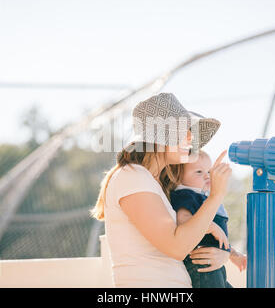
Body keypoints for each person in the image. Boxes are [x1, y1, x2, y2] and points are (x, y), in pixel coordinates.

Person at [91, 92, 230, 287]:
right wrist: (216, 195)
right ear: (159, 137)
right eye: (183, 131)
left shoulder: (153, 183)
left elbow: (185, 244)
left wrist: (221, 255)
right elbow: (176, 247)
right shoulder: (133, 176)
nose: (191, 137)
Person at [170, 150, 247, 288]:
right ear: (177, 177)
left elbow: (219, 239)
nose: (207, 176)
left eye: (209, 171)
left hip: (212, 266)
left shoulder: (206, 198)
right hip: (200, 266)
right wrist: (211, 226)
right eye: (199, 172)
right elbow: (183, 221)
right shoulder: (186, 195)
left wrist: (233, 254)